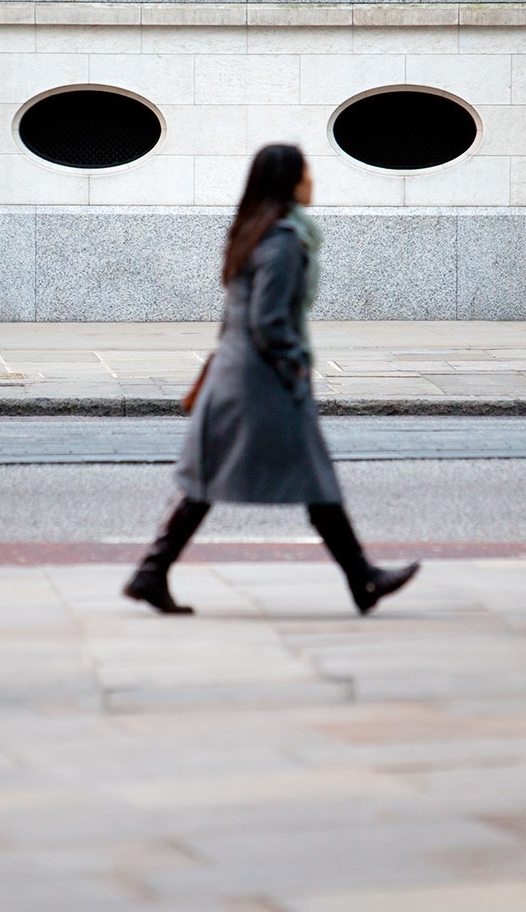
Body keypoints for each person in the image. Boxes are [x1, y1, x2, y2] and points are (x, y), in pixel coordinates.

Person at [122, 143, 420, 616]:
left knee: (212, 478)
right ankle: (362, 578)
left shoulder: (251, 232)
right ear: (289, 182)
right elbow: (269, 320)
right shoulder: (282, 240)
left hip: (236, 375)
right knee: (314, 478)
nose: (312, 182)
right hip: (263, 383)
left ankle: (151, 573)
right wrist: (294, 366)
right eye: (307, 174)